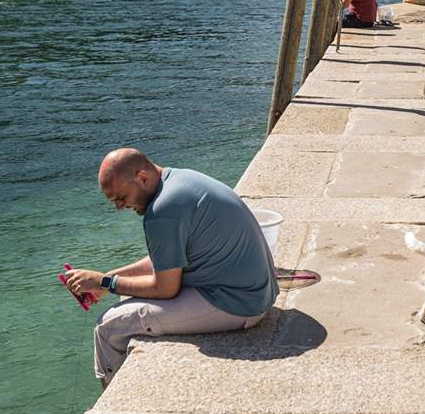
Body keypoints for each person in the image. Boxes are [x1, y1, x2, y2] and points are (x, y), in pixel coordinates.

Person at [63, 149, 278, 388]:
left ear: (142, 178)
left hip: (239, 304)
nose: (120, 207)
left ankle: (112, 400)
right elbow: (164, 260)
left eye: (121, 197)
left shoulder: (162, 212)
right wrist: (106, 279)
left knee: (108, 325)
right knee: (126, 294)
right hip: (256, 291)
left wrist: (105, 282)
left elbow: (165, 288)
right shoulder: (179, 181)